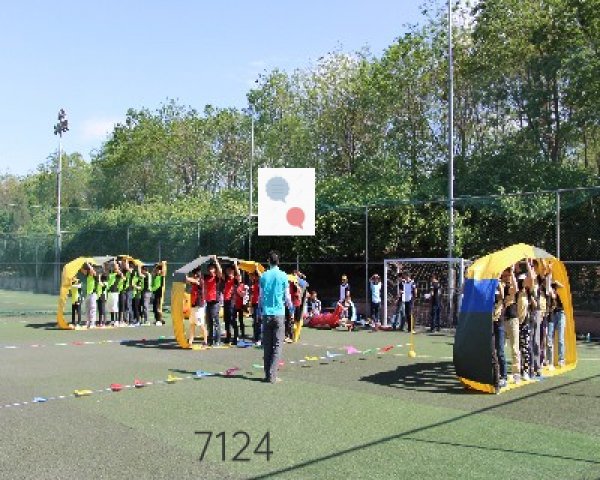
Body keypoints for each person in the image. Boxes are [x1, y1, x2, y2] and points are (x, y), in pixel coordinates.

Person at [259, 250, 290, 383]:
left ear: (268, 261)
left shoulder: (264, 276)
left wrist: (260, 309)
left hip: (267, 313)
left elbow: (260, 297)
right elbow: (287, 297)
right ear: (278, 261)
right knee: (277, 345)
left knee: (267, 346)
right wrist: (291, 309)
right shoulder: (283, 275)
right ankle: (272, 375)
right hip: (279, 313)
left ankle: (268, 374)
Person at [503, 266, 521, 383]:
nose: (506, 278)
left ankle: (516, 373)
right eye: (504, 275)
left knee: (514, 347)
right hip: (502, 321)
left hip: (513, 319)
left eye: (507, 275)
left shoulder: (512, 287)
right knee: (500, 348)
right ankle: (502, 373)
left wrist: (512, 272)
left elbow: (515, 289)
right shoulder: (501, 286)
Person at [547, 264, 566, 369]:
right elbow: (549, 290)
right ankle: (549, 360)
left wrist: (559, 285)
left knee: (560, 338)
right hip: (552, 314)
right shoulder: (550, 286)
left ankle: (561, 359)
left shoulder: (561, 286)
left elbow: (564, 290)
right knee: (549, 337)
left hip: (561, 313)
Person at [204, 256, 223, 346]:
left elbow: (220, 271)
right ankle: (210, 340)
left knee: (216, 321)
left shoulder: (217, 277)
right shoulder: (206, 277)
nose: (211, 270)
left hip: (215, 302)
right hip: (208, 302)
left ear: (215, 269)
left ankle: (218, 340)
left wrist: (215, 260)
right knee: (209, 322)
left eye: (212, 268)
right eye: (209, 269)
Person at [492, 276, 507, 390]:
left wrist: (498, 282)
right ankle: (494, 376)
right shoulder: (489, 290)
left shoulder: (502, 286)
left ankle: (503, 376)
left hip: (500, 323)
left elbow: (502, 295)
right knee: (492, 351)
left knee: (500, 351)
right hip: (490, 323)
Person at [187, 268, 207, 347]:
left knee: (201, 325)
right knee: (192, 324)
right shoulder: (194, 282)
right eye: (194, 274)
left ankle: (205, 341)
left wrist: (184, 275)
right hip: (193, 306)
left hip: (199, 307)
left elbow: (191, 280)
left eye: (196, 274)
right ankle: (190, 341)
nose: (195, 275)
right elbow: (187, 281)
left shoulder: (200, 281)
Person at [222, 261, 241, 344]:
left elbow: (239, 275)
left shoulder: (235, 279)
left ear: (233, 271)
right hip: (225, 301)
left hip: (232, 302)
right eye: (227, 270)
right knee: (226, 320)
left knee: (232, 320)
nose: (229, 271)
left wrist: (236, 265)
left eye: (230, 270)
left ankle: (236, 337)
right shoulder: (226, 279)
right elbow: (220, 273)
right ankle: (228, 337)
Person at [292, 270, 308, 343]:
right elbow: (306, 284)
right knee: (297, 320)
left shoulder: (295, 281)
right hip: (296, 303)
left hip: (297, 303)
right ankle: (295, 336)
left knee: (296, 320)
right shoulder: (299, 281)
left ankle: (295, 336)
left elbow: (306, 284)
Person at [81, 263, 97, 329]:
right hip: (87, 294)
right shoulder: (87, 276)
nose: (82, 271)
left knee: (92, 309)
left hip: (93, 294)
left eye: (84, 270)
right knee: (87, 309)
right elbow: (83, 270)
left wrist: (88, 264)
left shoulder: (92, 274)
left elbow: (92, 271)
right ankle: (87, 323)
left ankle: (92, 323)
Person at [250, 268, 262, 345]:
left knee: (258, 321)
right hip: (254, 303)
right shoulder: (253, 283)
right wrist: (250, 305)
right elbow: (252, 295)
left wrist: (257, 269)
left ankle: (259, 338)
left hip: (259, 304)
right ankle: (255, 337)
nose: (253, 277)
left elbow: (261, 276)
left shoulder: (260, 282)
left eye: (255, 275)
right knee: (255, 321)